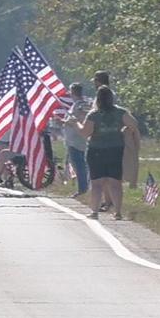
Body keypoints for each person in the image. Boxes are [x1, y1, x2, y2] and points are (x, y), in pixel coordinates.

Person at [68, 86, 138, 220]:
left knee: (97, 183)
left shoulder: (94, 115)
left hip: (96, 151)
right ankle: (117, 212)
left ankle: (94, 212)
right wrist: (122, 130)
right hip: (115, 150)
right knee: (115, 182)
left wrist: (76, 123)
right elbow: (133, 124)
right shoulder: (120, 112)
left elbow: (85, 133)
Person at [63, 83, 90, 197]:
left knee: (80, 165)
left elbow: (83, 118)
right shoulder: (74, 105)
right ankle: (82, 187)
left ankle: (83, 189)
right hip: (72, 140)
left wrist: (68, 121)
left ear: (73, 92)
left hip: (78, 140)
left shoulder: (82, 105)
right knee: (76, 165)